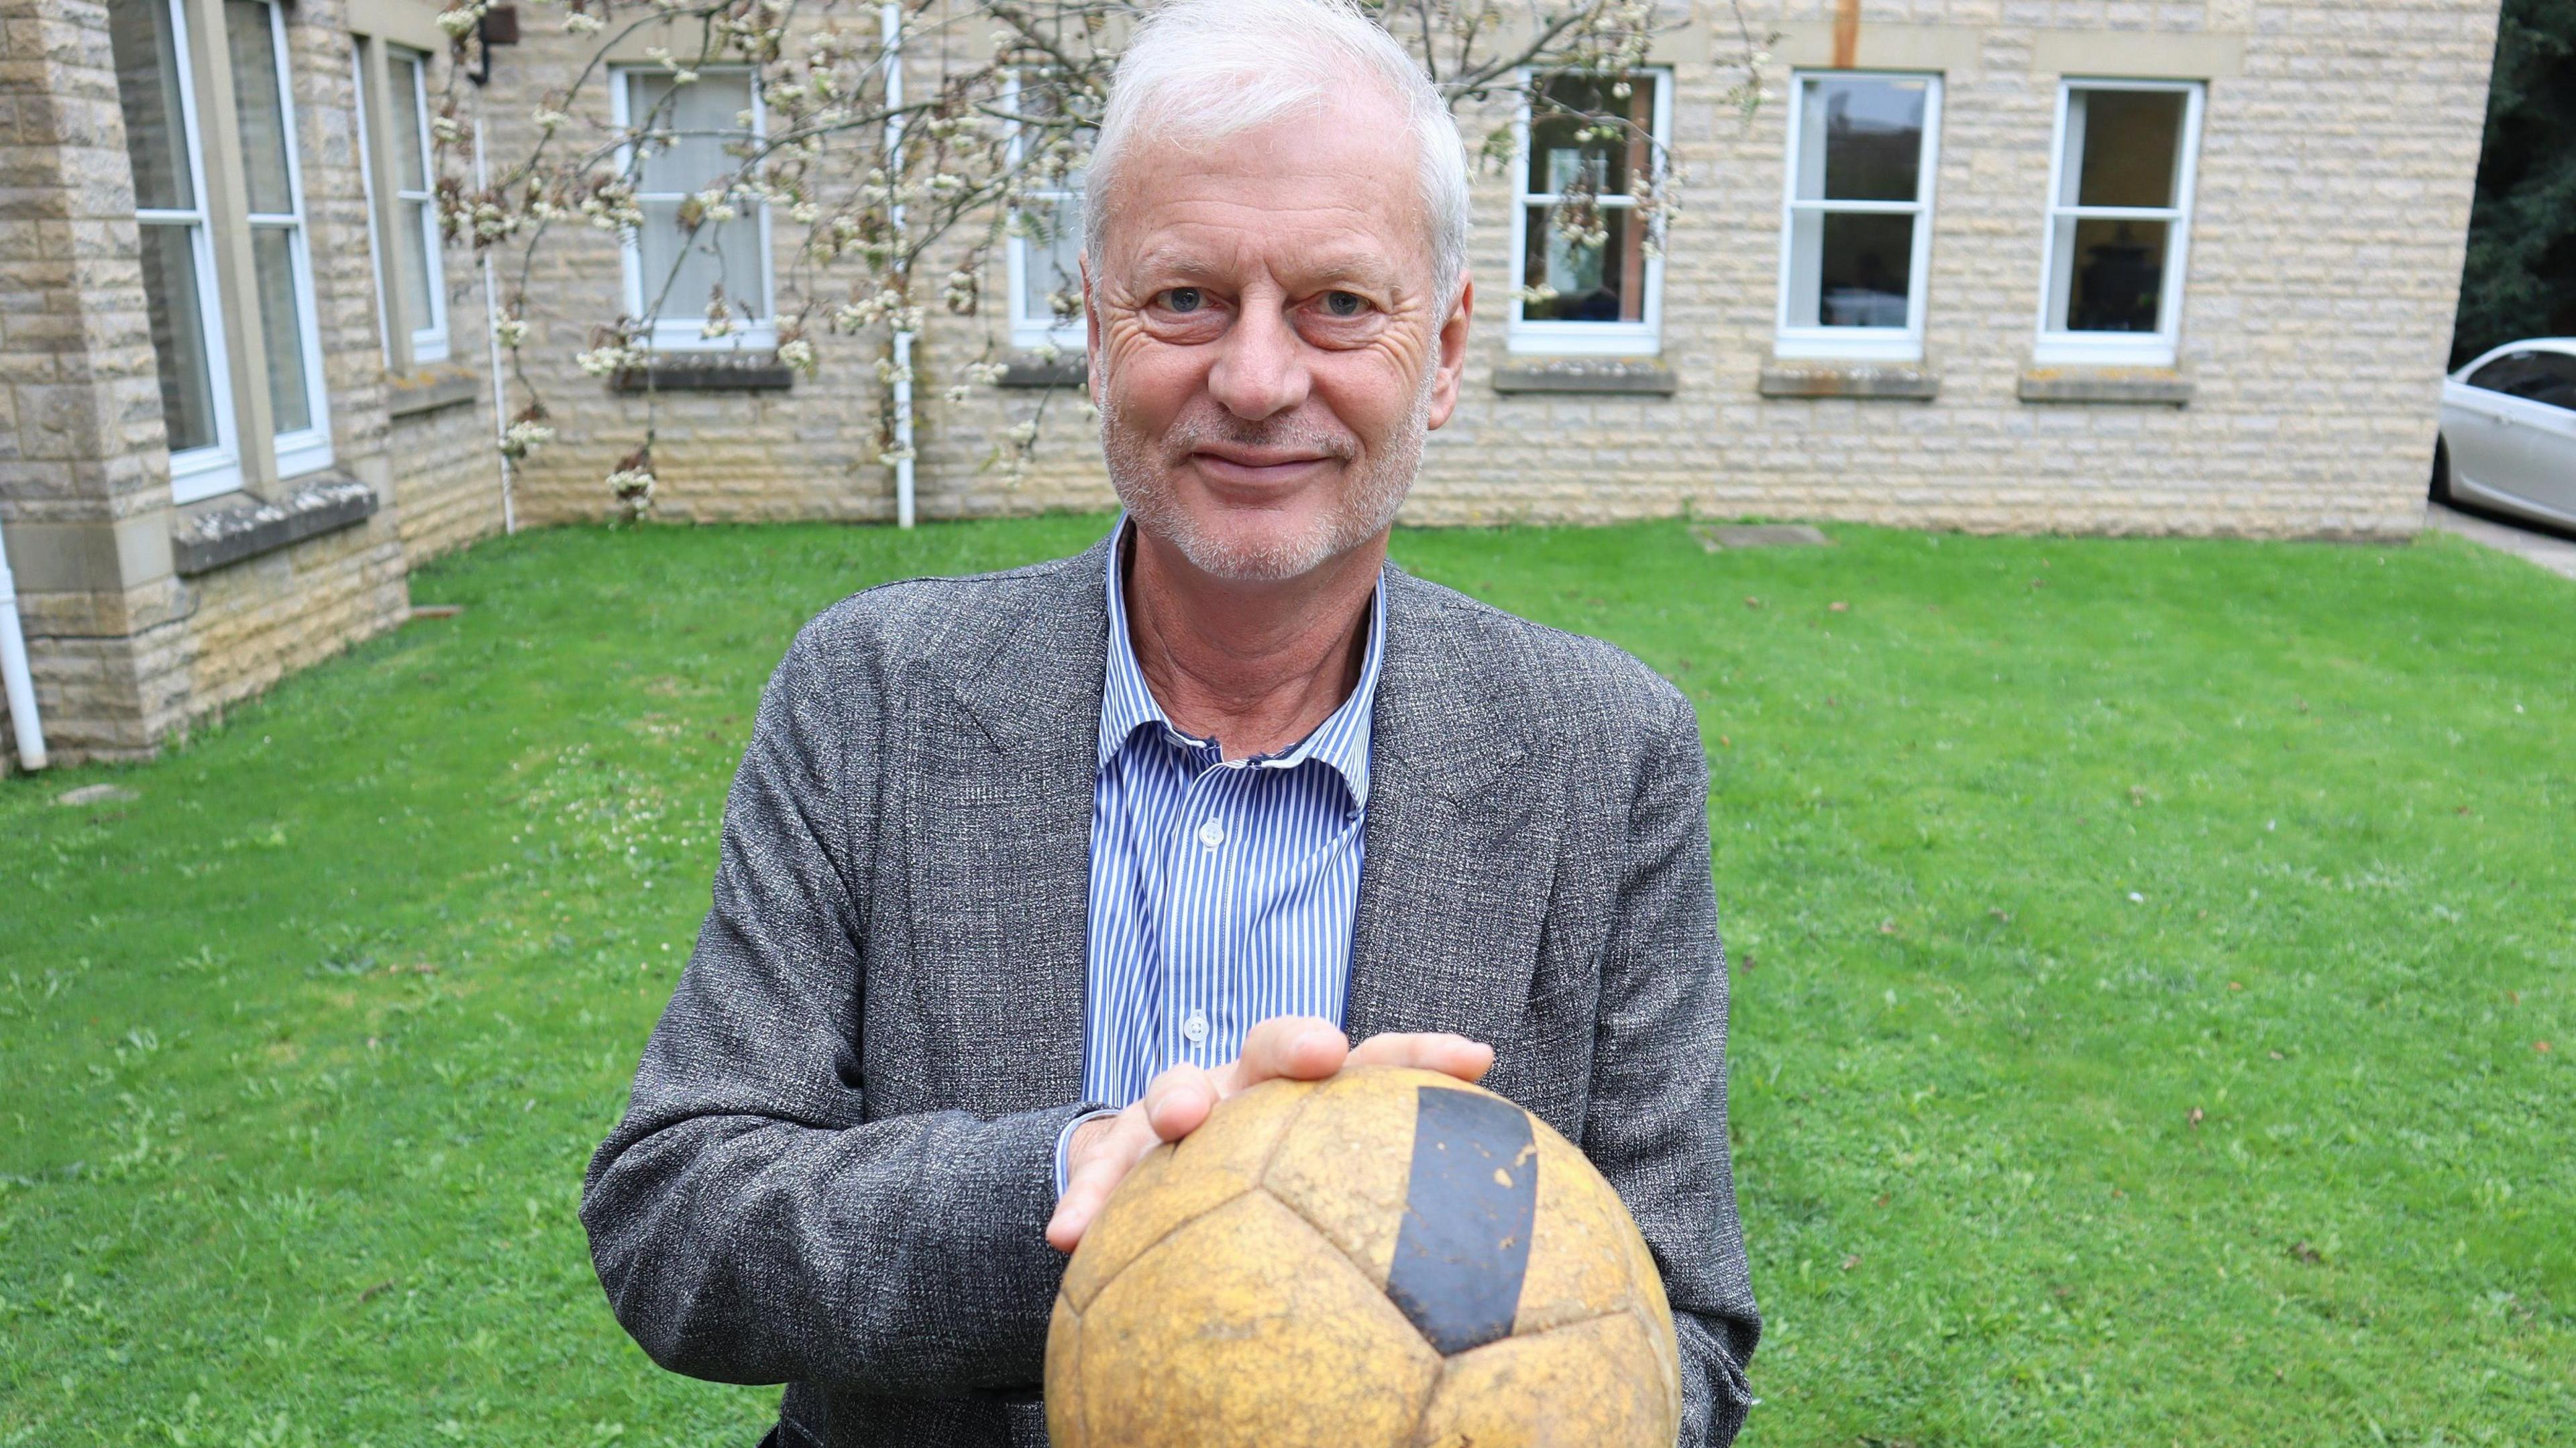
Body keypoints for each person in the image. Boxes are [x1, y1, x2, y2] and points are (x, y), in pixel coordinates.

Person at [579, 1, 1759, 1443]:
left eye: (1338, 303)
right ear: (1094, 334)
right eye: (1187, 298)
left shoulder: (1604, 756)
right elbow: (677, 1214)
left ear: (1443, 351)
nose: (1258, 382)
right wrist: (1090, 1191)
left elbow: (1679, 1325)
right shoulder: (873, 696)